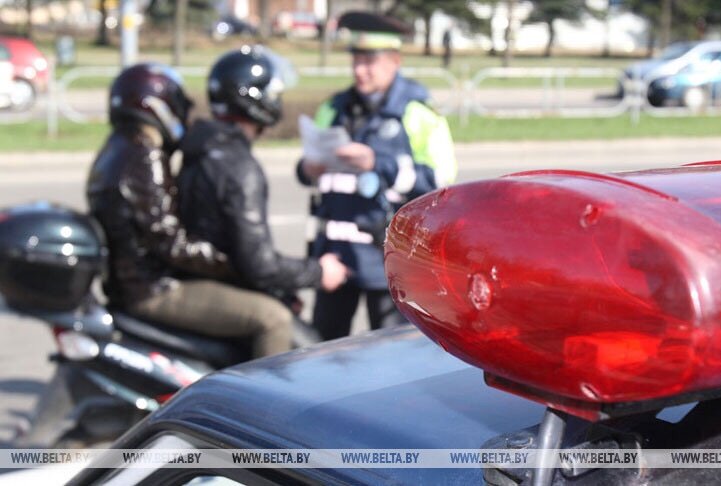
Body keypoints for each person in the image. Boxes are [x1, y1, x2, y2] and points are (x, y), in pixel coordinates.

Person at [87, 63, 310, 358]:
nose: (183, 113)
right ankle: (260, 403)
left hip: (131, 284)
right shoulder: (144, 157)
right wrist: (237, 269)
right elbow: (172, 242)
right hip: (154, 289)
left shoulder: (117, 151)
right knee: (273, 320)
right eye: (176, 104)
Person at [297, 11, 458, 341]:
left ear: (394, 62)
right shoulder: (334, 108)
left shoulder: (419, 114)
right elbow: (307, 169)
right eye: (356, 61)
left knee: (389, 356)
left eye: (369, 62)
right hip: (334, 256)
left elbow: (441, 182)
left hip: (388, 257)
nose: (359, 70)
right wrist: (306, 168)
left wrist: (378, 163)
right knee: (323, 350)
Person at [177, 46, 348, 336]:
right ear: (253, 98)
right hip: (220, 284)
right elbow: (259, 263)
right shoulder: (240, 167)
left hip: (212, 278)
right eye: (272, 93)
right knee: (291, 335)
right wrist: (319, 272)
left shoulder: (202, 145)